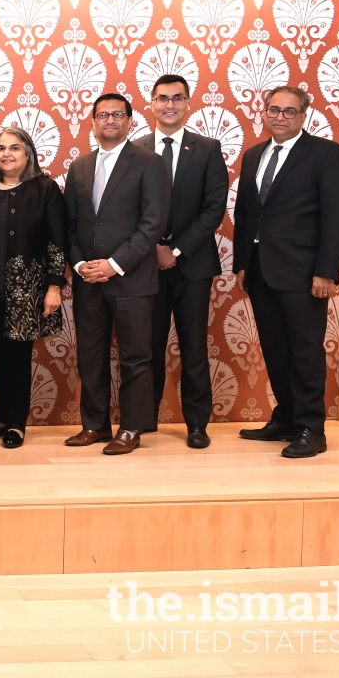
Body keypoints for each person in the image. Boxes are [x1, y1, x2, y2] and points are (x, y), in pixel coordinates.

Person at [234, 85, 339, 458]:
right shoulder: (253, 156)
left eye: (289, 111)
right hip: (261, 271)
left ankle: (313, 428)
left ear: (303, 116)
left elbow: (335, 217)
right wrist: (243, 265)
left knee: (305, 352)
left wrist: (327, 272)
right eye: (274, 110)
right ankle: (287, 417)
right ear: (263, 113)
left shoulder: (327, 155)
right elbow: (247, 215)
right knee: (276, 350)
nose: (280, 116)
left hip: (304, 273)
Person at [64, 93, 170, 455]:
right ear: (92, 122)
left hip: (132, 278)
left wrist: (114, 264)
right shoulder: (79, 167)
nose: (110, 120)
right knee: (90, 356)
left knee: (135, 357)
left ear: (129, 121)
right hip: (88, 280)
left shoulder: (149, 163)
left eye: (117, 114)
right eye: (103, 115)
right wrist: (80, 265)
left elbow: (152, 225)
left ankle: (130, 428)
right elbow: (71, 225)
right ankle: (94, 425)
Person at [134, 74, 227, 449]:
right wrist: (151, 249)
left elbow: (213, 209)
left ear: (188, 103)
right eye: (162, 99)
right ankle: (144, 420)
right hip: (145, 267)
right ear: (151, 104)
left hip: (193, 266)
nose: (169, 105)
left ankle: (197, 424)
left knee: (193, 348)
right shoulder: (135, 148)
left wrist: (174, 250)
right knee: (147, 347)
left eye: (177, 98)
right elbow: (128, 210)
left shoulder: (207, 148)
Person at [0, 127, 67, 449]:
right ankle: (1, 418)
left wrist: (54, 286)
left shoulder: (44, 189)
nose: (6, 154)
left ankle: (16, 424)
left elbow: (57, 242)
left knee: (18, 357)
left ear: (28, 154)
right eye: (0, 149)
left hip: (26, 291)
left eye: (14, 148)